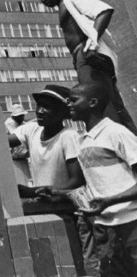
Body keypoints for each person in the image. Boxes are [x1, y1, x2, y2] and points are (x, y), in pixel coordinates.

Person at [9, 84, 103, 276]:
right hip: (47, 201)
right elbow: (2, 141)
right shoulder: (32, 129)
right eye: (39, 106)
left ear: (63, 113)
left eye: (48, 107)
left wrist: (33, 192)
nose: (40, 111)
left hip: (67, 204)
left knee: (78, 261)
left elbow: (76, 181)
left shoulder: (68, 136)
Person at [33, 0, 137, 136]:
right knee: (112, 103)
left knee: (96, 105)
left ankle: (112, 143)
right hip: (83, 57)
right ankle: (131, 144)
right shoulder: (62, 6)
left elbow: (104, 11)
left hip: (87, 54)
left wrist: (91, 44)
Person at [67, 82, 137, 276]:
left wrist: (110, 201)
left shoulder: (116, 132)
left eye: (73, 100)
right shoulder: (83, 140)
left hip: (132, 222)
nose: (69, 104)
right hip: (104, 227)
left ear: (93, 102)